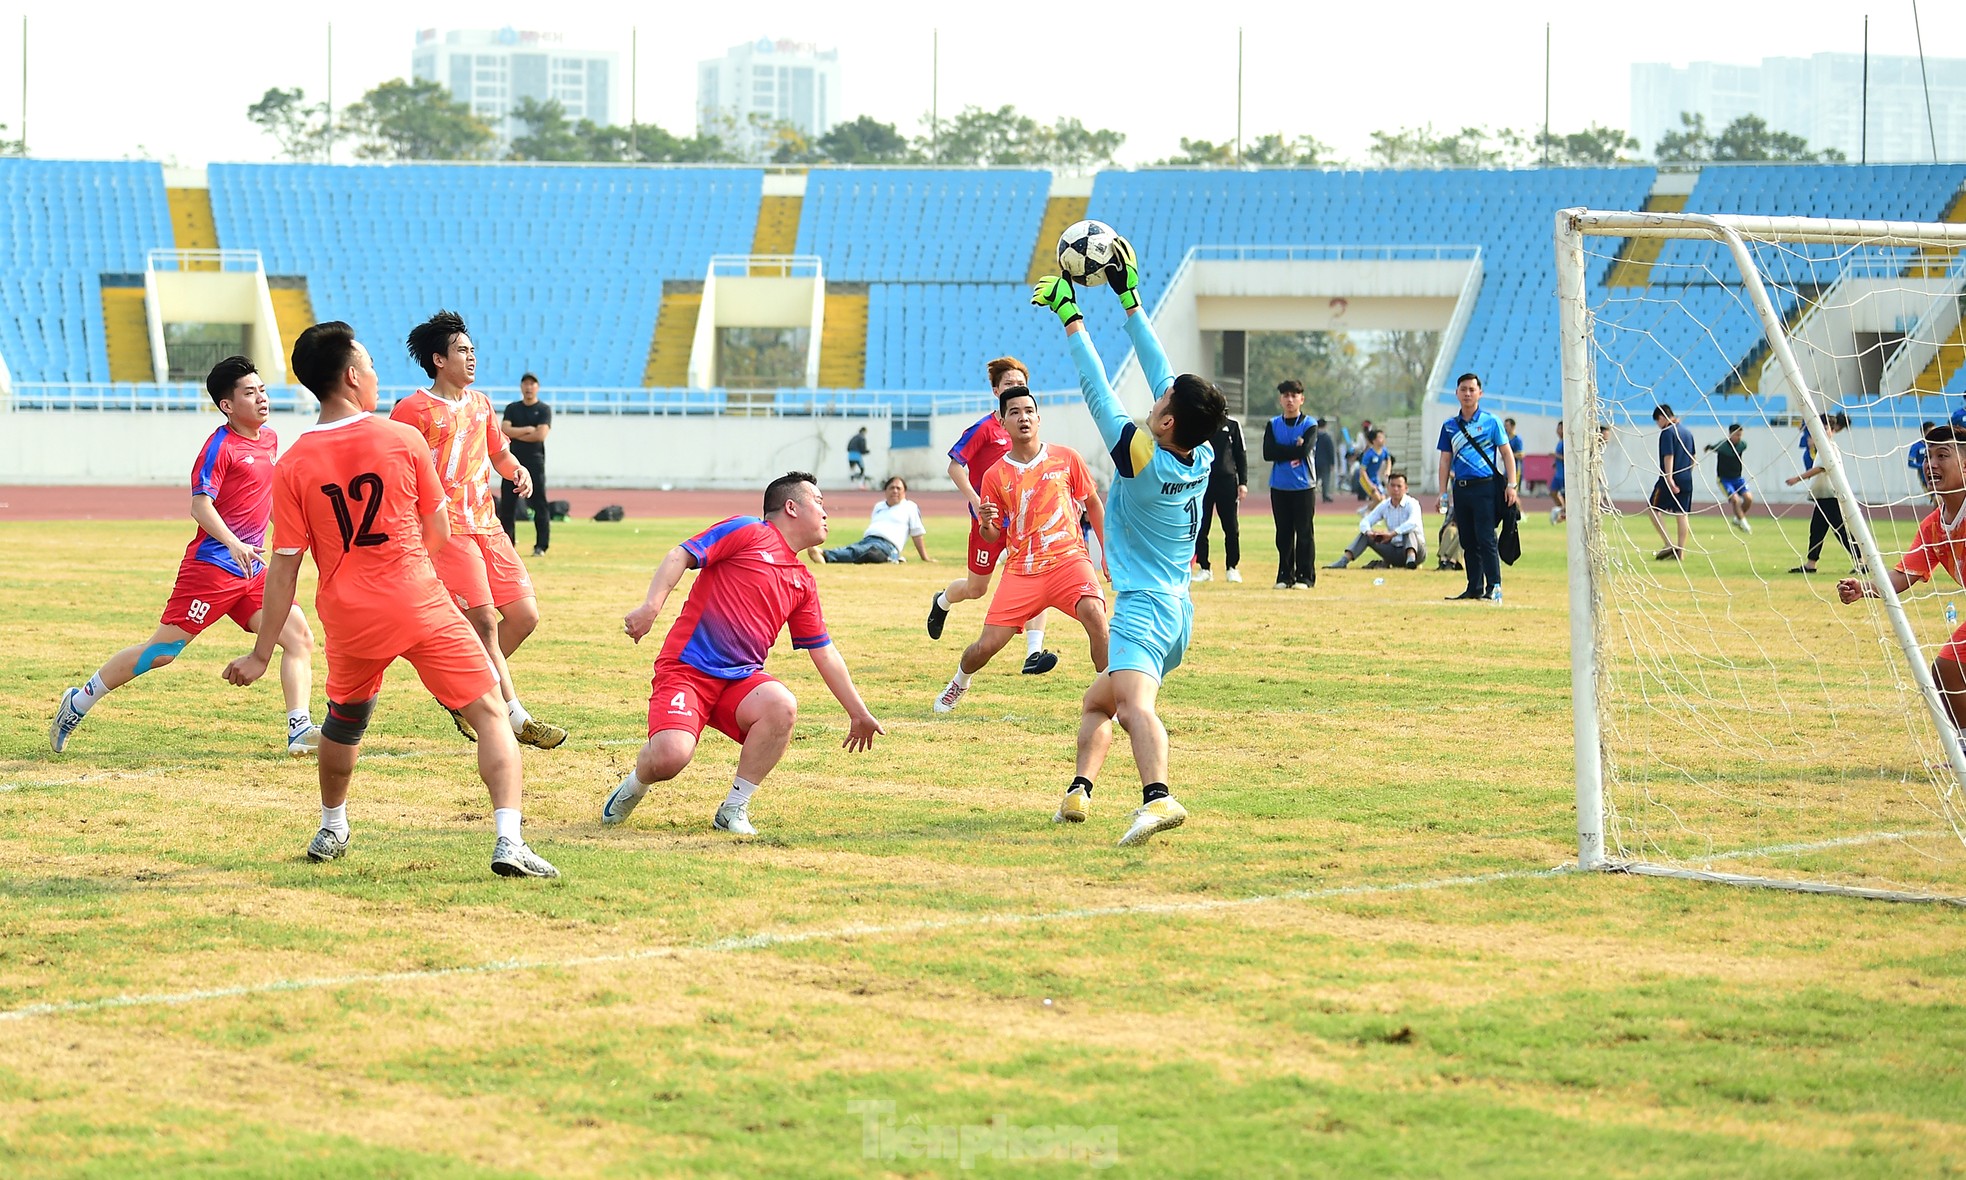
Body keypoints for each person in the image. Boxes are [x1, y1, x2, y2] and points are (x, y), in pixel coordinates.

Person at [223, 322, 557, 877]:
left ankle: (333, 825)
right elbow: (440, 531)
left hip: (349, 615)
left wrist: (262, 654)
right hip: (418, 600)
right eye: (371, 363)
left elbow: (283, 572)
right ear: (353, 376)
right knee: (491, 711)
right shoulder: (401, 440)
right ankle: (508, 840)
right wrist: (407, 567)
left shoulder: (294, 464)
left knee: (343, 724)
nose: (377, 373)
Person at [1033, 237, 1227, 846]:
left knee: (1134, 707)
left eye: (1163, 400)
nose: (1157, 394)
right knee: (1098, 702)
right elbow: (1164, 373)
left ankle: (1158, 798)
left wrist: (1072, 318)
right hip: (1177, 615)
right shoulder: (1200, 449)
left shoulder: (1143, 456)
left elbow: (1098, 391)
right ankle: (1079, 792)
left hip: (1143, 607)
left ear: (1167, 422)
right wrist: (1131, 300)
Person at [50, 357, 321, 757]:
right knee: (161, 653)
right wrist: (233, 542)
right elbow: (200, 506)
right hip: (211, 569)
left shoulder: (270, 439)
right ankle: (78, 701)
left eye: (262, 390)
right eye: (250, 392)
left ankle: (299, 728)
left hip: (253, 570)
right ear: (227, 405)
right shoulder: (219, 447)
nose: (262, 398)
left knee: (298, 638)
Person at [602, 472, 885, 836]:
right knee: (670, 758)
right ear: (791, 507)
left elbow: (824, 652)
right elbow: (681, 554)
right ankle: (636, 784)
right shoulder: (749, 531)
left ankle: (733, 808)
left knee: (782, 704)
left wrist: (858, 712)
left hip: (739, 682)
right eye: (819, 502)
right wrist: (650, 608)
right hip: (687, 671)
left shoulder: (802, 580)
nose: (826, 513)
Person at [392, 311, 566, 749]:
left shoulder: (482, 404)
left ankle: (462, 693)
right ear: (438, 359)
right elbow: (394, 469)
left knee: (525, 617)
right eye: (462, 351)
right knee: (485, 622)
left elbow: (499, 455)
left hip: (488, 526)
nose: (472, 358)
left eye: (473, 351)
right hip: (447, 530)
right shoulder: (411, 410)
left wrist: (517, 470)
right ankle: (515, 715)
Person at [934, 385, 1107, 713]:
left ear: (1038, 419)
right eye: (1014, 412)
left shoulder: (1066, 458)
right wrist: (986, 523)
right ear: (1002, 421)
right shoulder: (994, 475)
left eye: (1028, 411)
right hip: (1022, 570)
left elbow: (1094, 504)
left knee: (1096, 616)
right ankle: (959, 681)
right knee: (984, 647)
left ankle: (1109, 693)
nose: (1023, 417)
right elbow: (989, 536)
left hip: (1070, 559)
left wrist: (1107, 552)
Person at [1838, 424, 1966, 750]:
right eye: (1928, 456)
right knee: (1947, 670)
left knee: (1948, 667)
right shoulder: (1934, 525)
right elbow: (1904, 574)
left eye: (1942, 455)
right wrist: (1864, 588)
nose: (1931, 464)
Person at [926, 357, 1054, 675]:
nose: (1015, 388)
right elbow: (955, 466)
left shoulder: (1027, 426)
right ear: (996, 390)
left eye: (1020, 383)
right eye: (1008, 384)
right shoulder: (984, 429)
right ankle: (942, 600)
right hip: (988, 522)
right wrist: (974, 499)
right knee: (976, 589)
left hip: (1023, 521)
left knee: (1036, 578)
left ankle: (1034, 653)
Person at [1435, 372, 1517, 601]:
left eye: (1472, 389)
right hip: (1461, 488)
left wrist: (1512, 484)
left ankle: (1494, 585)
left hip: (1485, 488)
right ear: (1457, 393)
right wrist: (1442, 492)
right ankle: (1474, 587)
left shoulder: (1491, 422)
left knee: (1486, 537)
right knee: (1467, 539)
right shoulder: (1450, 426)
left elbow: (1506, 454)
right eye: (1463, 389)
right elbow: (1444, 460)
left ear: (1480, 393)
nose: (1467, 394)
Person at [1785, 412, 1859, 574]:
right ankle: (1811, 564)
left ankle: (1861, 560)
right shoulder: (1822, 447)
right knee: (1817, 529)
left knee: (1840, 530)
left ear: (1832, 430)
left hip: (1830, 495)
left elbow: (1820, 468)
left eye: (1826, 428)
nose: (1822, 431)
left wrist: (1797, 479)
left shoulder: (1829, 447)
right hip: (1822, 496)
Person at [1263, 380, 1317, 588]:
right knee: (1283, 533)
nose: (1290, 400)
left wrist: (1282, 450)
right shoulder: (1273, 424)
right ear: (1280, 399)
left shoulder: (1309, 425)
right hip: (1279, 485)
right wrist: (1292, 448)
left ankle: (1305, 576)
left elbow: (1304, 452)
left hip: (1303, 486)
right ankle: (1285, 575)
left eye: (1294, 396)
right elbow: (1268, 453)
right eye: (1286, 395)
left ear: (1302, 399)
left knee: (1304, 532)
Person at [811, 475, 930, 563]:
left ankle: (825, 555)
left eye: (898, 488)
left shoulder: (910, 507)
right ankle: (891, 560)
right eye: (891, 488)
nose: (895, 491)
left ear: (904, 492)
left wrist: (925, 558)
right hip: (868, 539)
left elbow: (917, 534)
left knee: (864, 551)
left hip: (887, 544)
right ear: (886, 491)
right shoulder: (879, 506)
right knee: (857, 549)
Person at [498, 372, 552, 557]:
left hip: (534, 463)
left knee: (539, 505)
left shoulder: (544, 409)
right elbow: (504, 430)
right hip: (511, 463)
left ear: (537, 387)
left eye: (532, 384)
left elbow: (541, 435)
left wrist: (516, 433)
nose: (529, 387)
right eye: (525, 384)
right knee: (507, 506)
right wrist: (528, 430)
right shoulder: (512, 408)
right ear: (521, 387)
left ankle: (541, 546)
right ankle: (508, 545)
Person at [1326, 472, 1426, 569]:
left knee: (1409, 531)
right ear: (1388, 488)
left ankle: (1411, 560)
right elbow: (1365, 521)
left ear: (1406, 488)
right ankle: (1343, 561)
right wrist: (1370, 532)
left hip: (1417, 550)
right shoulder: (1385, 505)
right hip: (1394, 549)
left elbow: (1413, 522)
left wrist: (1392, 534)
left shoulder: (1412, 504)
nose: (1395, 489)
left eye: (1399, 486)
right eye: (1393, 486)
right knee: (1365, 535)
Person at [1192, 413, 1246, 583]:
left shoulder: (1232, 425)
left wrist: (1243, 482)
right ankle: (1204, 568)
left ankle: (1232, 567)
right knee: (1201, 525)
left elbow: (1240, 454)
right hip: (1203, 480)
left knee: (1231, 527)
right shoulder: (1199, 424)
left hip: (1227, 481)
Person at [1646, 404, 1695, 560]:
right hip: (1686, 477)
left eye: (1657, 422)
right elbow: (1693, 457)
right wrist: (1686, 473)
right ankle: (1680, 551)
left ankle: (1668, 544)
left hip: (1670, 477)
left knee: (1652, 508)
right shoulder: (1687, 432)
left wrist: (1669, 478)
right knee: (1682, 513)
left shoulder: (1668, 432)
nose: (1658, 426)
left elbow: (1669, 455)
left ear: (1661, 418)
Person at [1705, 422, 1754, 533]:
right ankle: (1745, 524)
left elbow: (1742, 446)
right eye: (1737, 435)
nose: (1739, 438)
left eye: (1740, 435)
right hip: (1724, 480)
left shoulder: (1742, 445)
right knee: (1735, 500)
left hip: (1738, 478)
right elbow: (1713, 447)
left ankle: (1737, 519)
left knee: (1749, 498)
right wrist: (1708, 447)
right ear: (1730, 434)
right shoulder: (1722, 446)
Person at [1354, 428, 1392, 510]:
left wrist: (1388, 470)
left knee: (1382, 499)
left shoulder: (1384, 450)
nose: (1383, 440)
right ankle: (1368, 513)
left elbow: (1388, 459)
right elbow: (1362, 471)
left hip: (1375, 478)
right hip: (1365, 479)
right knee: (1378, 499)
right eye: (1380, 437)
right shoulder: (1368, 454)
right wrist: (1370, 484)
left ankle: (1365, 510)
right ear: (1374, 440)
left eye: (1383, 437)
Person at [1910, 422, 1937, 504]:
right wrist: (1924, 466)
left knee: (1940, 500)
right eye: (1931, 431)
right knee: (1937, 499)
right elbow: (1910, 462)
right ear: (1924, 432)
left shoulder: (1937, 445)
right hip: (1925, 476)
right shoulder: (1917, 446)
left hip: (1938, 474)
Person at [1313, 417, 1338, 503]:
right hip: (1325, 462)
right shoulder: (1327, 437)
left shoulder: (1314, 437)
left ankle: (1310, 495)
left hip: (1315, 461)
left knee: (1314, 480)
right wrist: (1332, 463)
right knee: (1325, 479)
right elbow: (1330, 451)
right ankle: (1325, 495)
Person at [1549, 419, 1568, 524]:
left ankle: (1564, 514)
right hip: (1558, 473)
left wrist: (1555, 456)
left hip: (1564, 474)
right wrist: (1556, 462)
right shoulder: (1560, 441)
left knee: (1566, 496)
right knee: (1553, 492)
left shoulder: (1566, 442)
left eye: (1560, 428)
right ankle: (1562, 510)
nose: (1558, 430)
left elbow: (1568, 457)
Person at [1504, 418, 1526, 493]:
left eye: (1507, 426)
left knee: (1513, 492)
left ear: (1513, 426)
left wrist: (1509, 455)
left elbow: (1521, 454)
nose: (1505, 428)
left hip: (1516, 469)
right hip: (1506, 468)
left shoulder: (1517, 439)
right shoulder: (1506, 438)